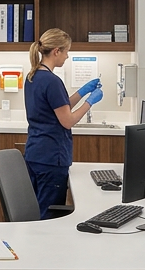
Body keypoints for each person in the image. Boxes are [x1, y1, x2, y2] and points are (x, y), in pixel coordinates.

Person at [23, 28, 102, 219]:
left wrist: (82, 91)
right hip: (51, 158)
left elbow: (60, 105)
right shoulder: (52, 81)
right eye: (66, 51)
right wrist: (89, 103)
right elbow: (67, 120)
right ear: (56, 51)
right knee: (48, 215)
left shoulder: (33, 76)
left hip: (35, 154)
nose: (67, 56)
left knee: (36, 211)